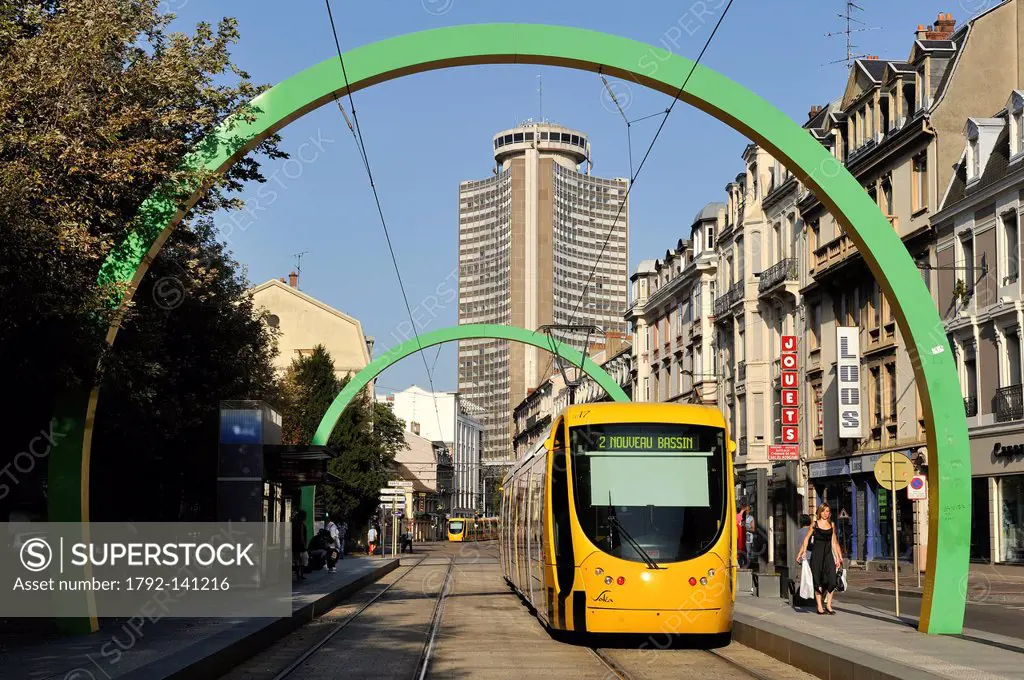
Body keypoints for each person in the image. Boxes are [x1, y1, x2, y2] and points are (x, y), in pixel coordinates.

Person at [796, 503, 843, 615]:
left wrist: (838, 557)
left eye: (827, 511)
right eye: (823, 511)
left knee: (832, 580)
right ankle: (820, 607)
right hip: (816, 555)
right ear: (819, 512)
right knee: (818, 581)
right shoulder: (814, 524)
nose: (825, 513)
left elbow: (834, 542)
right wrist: (801, 553)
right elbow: (806, 539)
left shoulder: (831, 525)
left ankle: (829, 605)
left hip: (828, 556)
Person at [292, 510, 308, 581]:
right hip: (300, 545)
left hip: (295, 544)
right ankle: (301, 575)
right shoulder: (301, 524)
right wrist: (304, 545)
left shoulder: (295, 524)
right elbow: (302, 536)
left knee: (297, 560)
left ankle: (298, 575)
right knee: (302, 561)